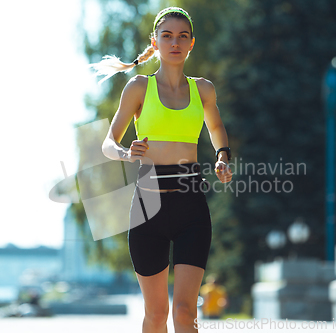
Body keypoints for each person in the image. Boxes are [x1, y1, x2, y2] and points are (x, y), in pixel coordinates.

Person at [92, 6, 232, 332]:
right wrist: (126, 153)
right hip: (147, 207)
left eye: (183, 36)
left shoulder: (204, 90)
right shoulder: (139, 88)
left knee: (184, 312)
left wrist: (223, 155)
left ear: (192, 43)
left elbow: (216, 129)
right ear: (154, 43)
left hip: (191, 206)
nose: (175, 42)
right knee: (156, 314)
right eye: (167, 36)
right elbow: (107, 142)